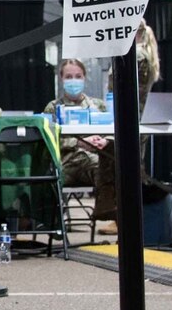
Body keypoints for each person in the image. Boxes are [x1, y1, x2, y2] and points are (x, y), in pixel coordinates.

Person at [43, 30, 163, 236]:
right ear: (61, 79)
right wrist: (78, 143)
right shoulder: (53, 108)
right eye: (69, 76)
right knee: (75, 165)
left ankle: (116, 215)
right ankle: (97, 212)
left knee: (113, 160)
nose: (74, 80)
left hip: (95, 159)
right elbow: (48, 140)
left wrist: (103, 141)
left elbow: (109, 129)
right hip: (67, 162)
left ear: (84, 77)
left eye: (78, 76)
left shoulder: (97, 106)